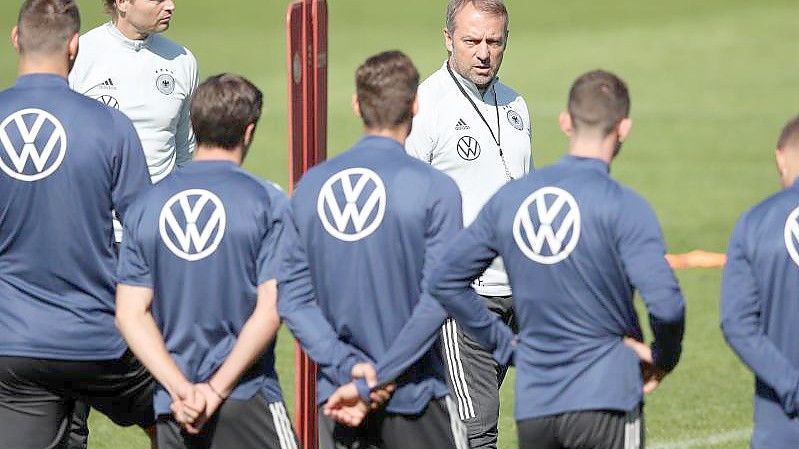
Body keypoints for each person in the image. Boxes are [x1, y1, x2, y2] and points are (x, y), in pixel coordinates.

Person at [422, 70, 686, 449]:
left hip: (537, 407)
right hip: (607, 397)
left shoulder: (511, 200)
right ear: (623, 128)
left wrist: (505, 347)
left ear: (565, 123)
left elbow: (446, 280)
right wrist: (663, 356)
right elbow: (668, 305)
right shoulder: (627, 207)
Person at [114, 73, 360, 449]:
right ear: (248, 132)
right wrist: (216, 389)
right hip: (249, 395)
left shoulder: (146, 206)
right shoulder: (267, 202)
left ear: (193, 127)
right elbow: (270, 308)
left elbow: (131, 313)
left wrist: (181, 389)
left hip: (174, 404)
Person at [280, 50, 474, 449]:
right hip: (416, 398)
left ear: (356, 105)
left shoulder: (311, 187)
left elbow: (294, 299)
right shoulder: (436, 190)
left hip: (339, 399)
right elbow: (439, 299)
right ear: (415, 104)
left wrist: (351, 371)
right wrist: (382, 376)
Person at [0, 1, 154, 448]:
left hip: (12, 343)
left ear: (16, 39)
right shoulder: (111, 126)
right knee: (184, 415)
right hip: (97, 339)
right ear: (74, 46)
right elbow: (146, 235)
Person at [404, 1, 531, 446]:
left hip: (519, 291)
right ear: (448, 39)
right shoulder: (425, 107)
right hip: (464, 298)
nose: (483, 52)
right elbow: (405, 206)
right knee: (477, 429)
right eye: (472, 41)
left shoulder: (516, 104)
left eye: (494, 42)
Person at [721, 115, 799, 448]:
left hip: (780, 425)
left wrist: (791, 385)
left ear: (780, 157)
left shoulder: (754, 223)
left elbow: (737, 323)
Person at [69, 0, 198, 184]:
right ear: (121, 3)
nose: (170, 6)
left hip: (159, 206)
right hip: (100, 206)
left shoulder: (182, 60)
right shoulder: (80, 56)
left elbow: (184, 149)